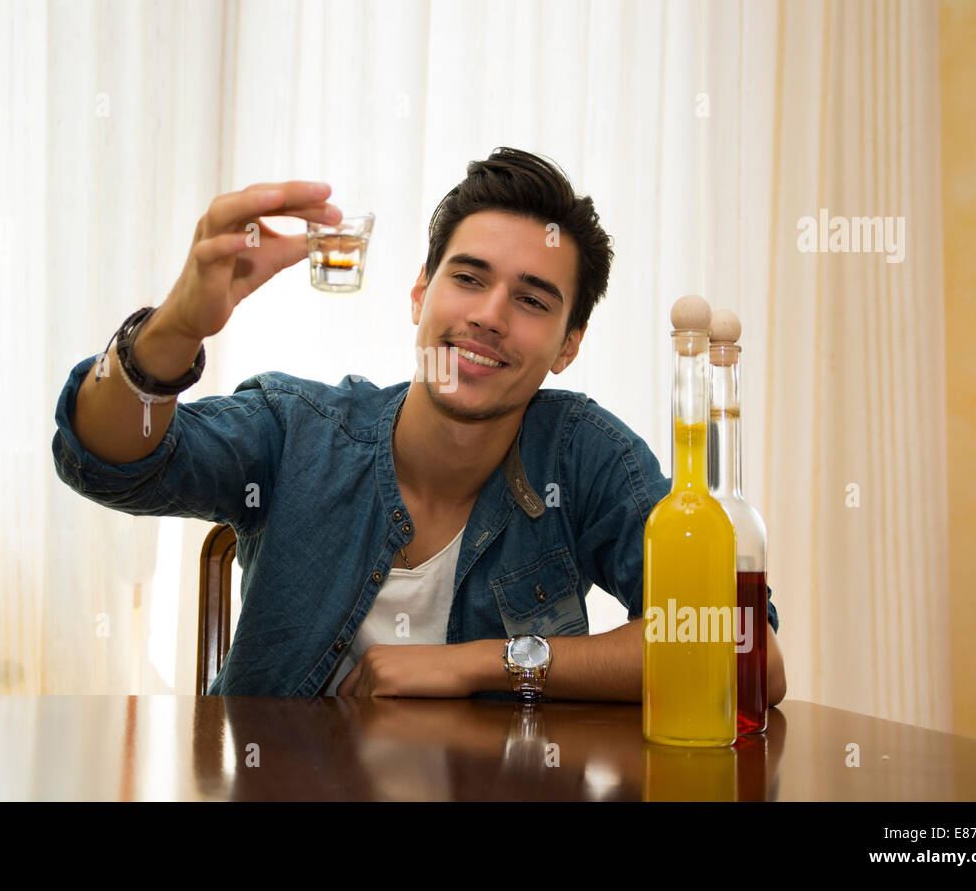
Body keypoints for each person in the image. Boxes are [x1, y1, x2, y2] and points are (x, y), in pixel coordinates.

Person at [52, 147, 786, 703]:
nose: (489, 316)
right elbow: (113, 459)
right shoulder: (300, 430)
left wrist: (482, 662)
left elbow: (743, 651)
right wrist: (173, 331)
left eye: (532, 300)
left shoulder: (582, 456)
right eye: (467, 278)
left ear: (569, 344)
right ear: (418, 294)